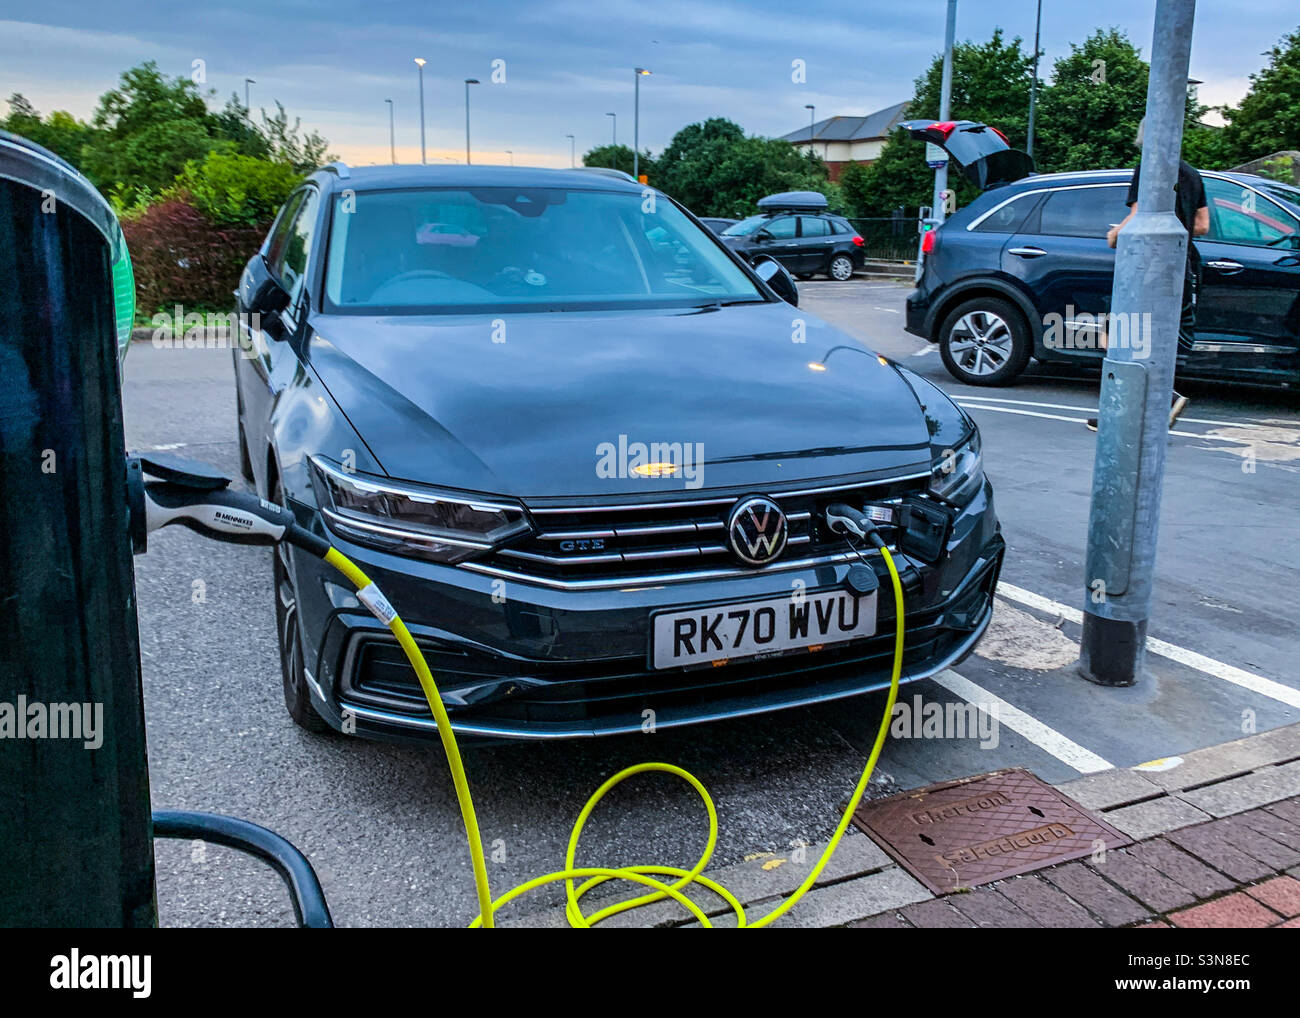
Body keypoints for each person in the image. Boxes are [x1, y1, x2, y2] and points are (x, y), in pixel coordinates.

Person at [1087, 118, 1209, 431]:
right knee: (1157, 341)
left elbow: (1138, 215)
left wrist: (1115, 234)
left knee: (1115, 337)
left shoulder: (1148, 169)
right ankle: (1153, 405)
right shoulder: (1193, 174)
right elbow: (1202, 225)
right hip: (1179, 270)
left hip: (1146, 270)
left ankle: (1140, 406)